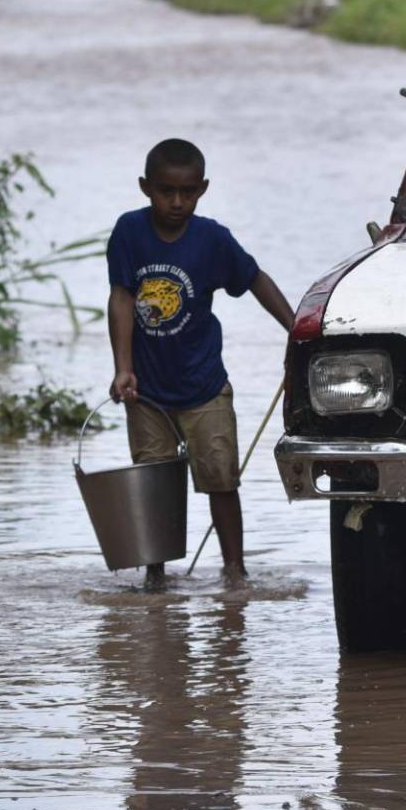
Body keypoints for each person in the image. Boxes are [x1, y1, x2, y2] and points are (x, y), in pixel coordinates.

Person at [106, 138, 296, 589]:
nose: (176, 202)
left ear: (203, 189)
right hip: (147, 391)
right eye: (166, 192)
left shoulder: (212, 239)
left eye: (187, 193)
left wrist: (296, 330)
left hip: (204, 387)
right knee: (152, 483)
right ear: (145, 188)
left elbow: (255, 280)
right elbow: (121, 298)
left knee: (221, 481)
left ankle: (235, 573)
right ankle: (155, 578)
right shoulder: (129, 233)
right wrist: (123, 368)